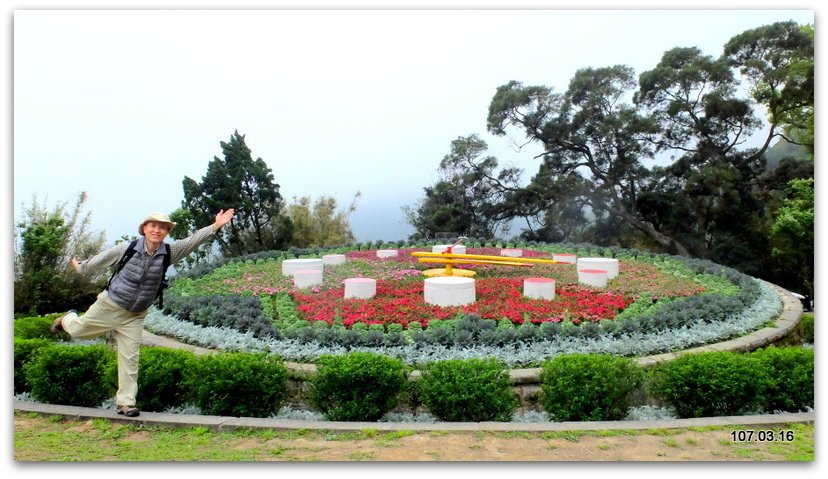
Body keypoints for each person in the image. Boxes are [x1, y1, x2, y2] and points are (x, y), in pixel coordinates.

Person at [50, 208, 236, 417]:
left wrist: (216, 226)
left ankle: (126, 403)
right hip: (109, 306)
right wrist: (81, 267)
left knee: (130, 358)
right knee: (78, 331)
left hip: (135, 315)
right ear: (144, 229)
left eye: (162, 227)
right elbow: (99, 261)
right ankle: (67, 318)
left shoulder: (170, 253)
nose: (157, 230)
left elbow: (193, 241)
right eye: (153, 226)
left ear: (167, 232)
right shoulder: (126, 249)